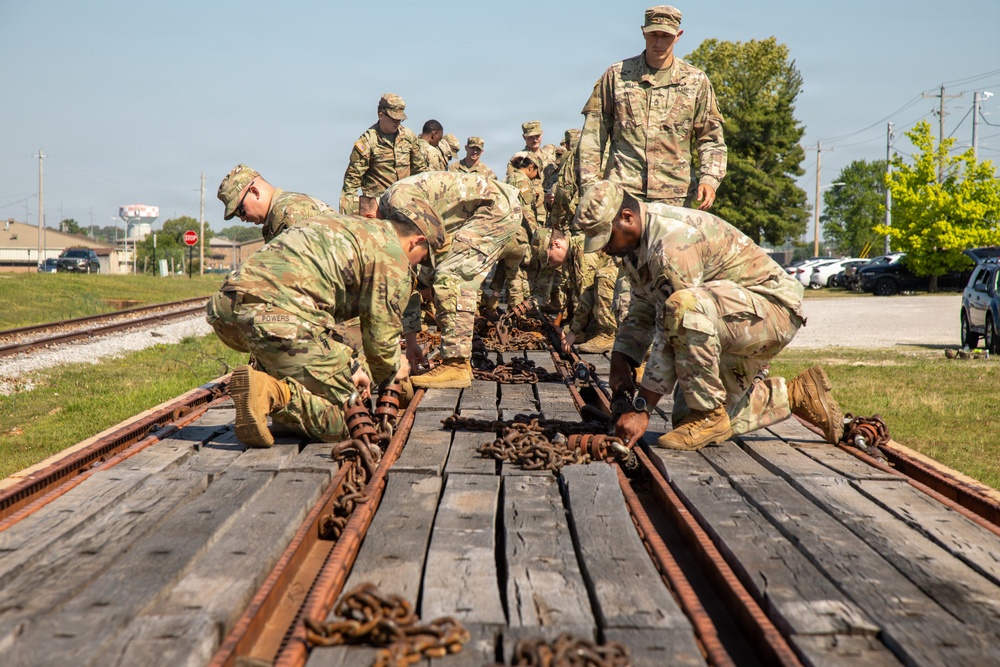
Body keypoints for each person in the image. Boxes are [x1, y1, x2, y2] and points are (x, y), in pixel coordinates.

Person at [574, 180, 844, 451]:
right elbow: (643, 308)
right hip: (730, 318)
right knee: (686, 418)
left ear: (627, 217)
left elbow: (675, 323)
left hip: (772, 312)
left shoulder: (671, 245)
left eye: (606, 237)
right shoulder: (636, 247)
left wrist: (642, 407)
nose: (603, 248)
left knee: (683, 308)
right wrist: (622, 358)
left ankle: (709, 416)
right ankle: (797, 394)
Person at [206, 208, 441, 447]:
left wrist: (350, 366)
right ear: (416, 241)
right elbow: (380, 340)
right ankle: (271, 392)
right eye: (422, 259)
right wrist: (395, 368)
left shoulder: (349, 227)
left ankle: (277, 404)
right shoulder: (392, 254)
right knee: (353, 422)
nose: (416, 266)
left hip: (226, 311)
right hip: (277, 318)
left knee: (310, 401)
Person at [379, 172, 523, 388]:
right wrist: (410, 341)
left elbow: (426, 260)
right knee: (445, 273)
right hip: (485, 212)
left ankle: (456, 364)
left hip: (495, 210)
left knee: (452, 275)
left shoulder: (399, 203)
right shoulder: (398, 216)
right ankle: (457, 359)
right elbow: (410, 275)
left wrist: (431, 282)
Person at [577, 5, 726, 210]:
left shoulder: (695, 81)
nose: (658, 43)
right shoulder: (617, 76)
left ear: (678, 36)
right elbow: (593, 136)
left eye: (666, 36)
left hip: (675, 196)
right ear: (643, 32)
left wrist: (709, 178)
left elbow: (711, 138)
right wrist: (590, 187)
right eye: (653, 34)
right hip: (623, 193)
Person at [341, 93, 428, 217]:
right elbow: (351, 182)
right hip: (378, 211)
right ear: (381, 115)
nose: (397, 123)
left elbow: (420, 171)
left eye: (400, 119)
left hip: (406, 207)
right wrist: (348, 218)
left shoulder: (408, 136)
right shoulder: (367, 142)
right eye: (394, 119)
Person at [218, 164, 331, 243]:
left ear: (254, 192)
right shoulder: (275, 217)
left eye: (241, 210)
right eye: (237, 215)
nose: (242, 218)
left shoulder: (289, 211)